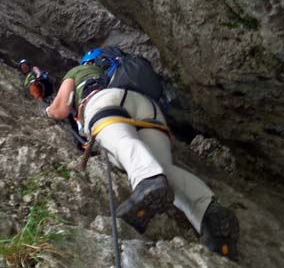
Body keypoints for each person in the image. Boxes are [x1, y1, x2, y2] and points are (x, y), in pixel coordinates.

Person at [45, 50, 240, 260]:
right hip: (149, 108)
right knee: (162, 167)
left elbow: (60, 110)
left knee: (120, 143)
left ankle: (148, 181)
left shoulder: (79, 70)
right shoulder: (125, 71)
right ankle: (208, 211)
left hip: (105, 101)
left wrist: (47, 110)